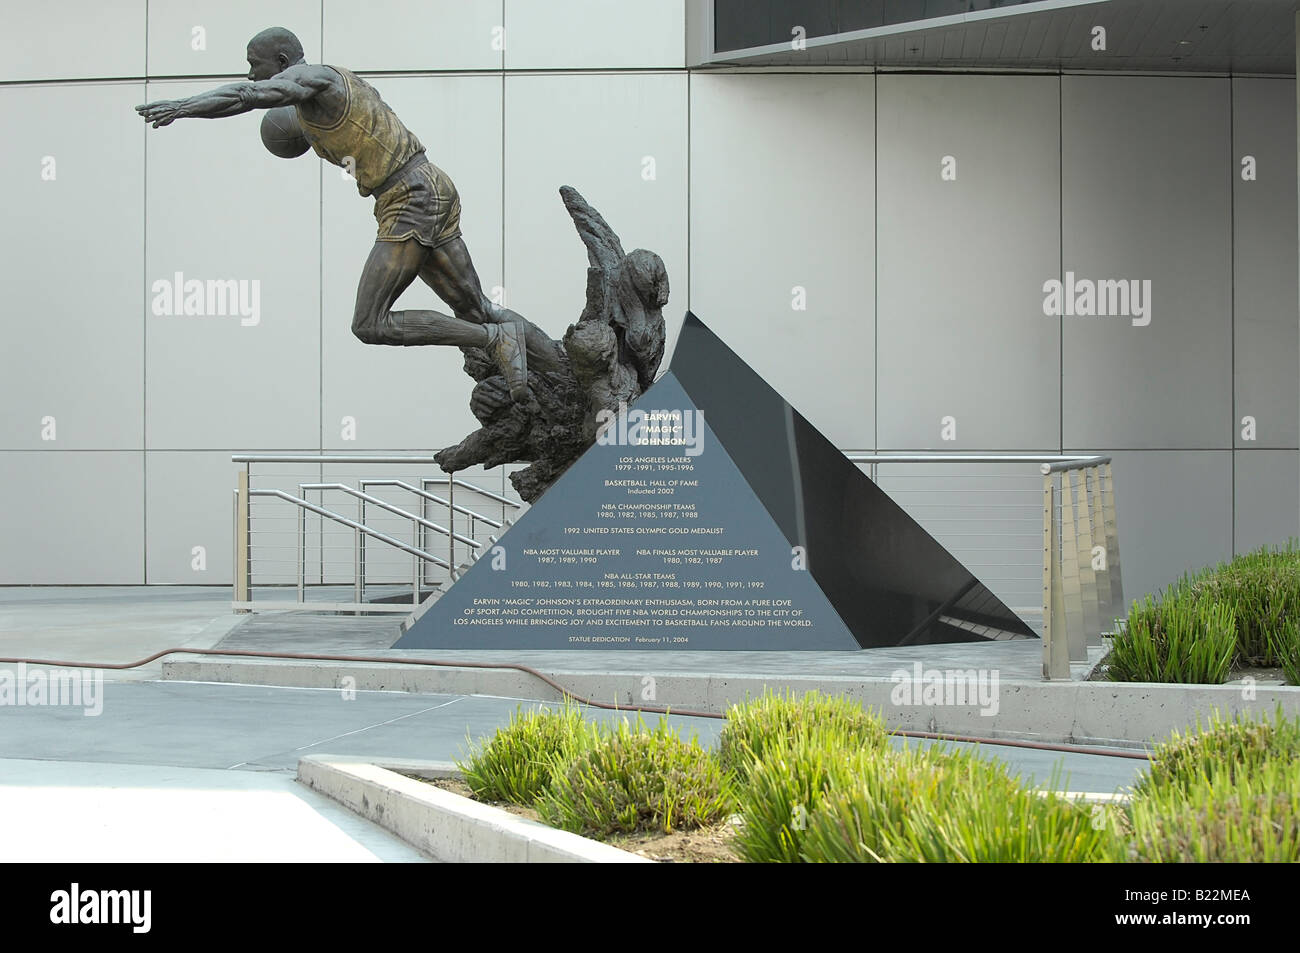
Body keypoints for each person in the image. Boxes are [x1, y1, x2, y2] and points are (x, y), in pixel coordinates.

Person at [136, 26, 556, 401]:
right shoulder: (335, 86)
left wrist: (183, 107)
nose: (250, 74)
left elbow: (247, 96)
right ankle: (557, 366)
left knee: (370, 323)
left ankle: (494, 339)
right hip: (431, 184)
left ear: (282, 63)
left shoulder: (310, 77)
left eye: (254, 65)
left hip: (409, 197)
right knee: (477, 306)